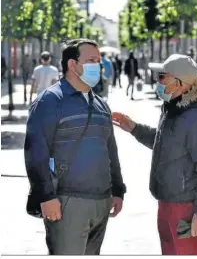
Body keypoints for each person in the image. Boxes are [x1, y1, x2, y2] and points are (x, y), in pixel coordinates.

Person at [112, 54, 197, 255]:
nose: (158, 82)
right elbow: (165, 143)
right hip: (166, 204)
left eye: (162, 77)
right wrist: (134, 128)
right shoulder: (174, 109)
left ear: (180, 83)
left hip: (187, 209)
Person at [24, 39, 126, 255]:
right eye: (91, 60)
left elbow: (111, 150)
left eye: (98, 61)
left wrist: (118, 189)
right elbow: (36, 152)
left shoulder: (100, 104)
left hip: (102, 202)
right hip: (66, 203)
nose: (97, 66)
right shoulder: (50, 101)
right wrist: (46, 196)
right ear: (72, 64)